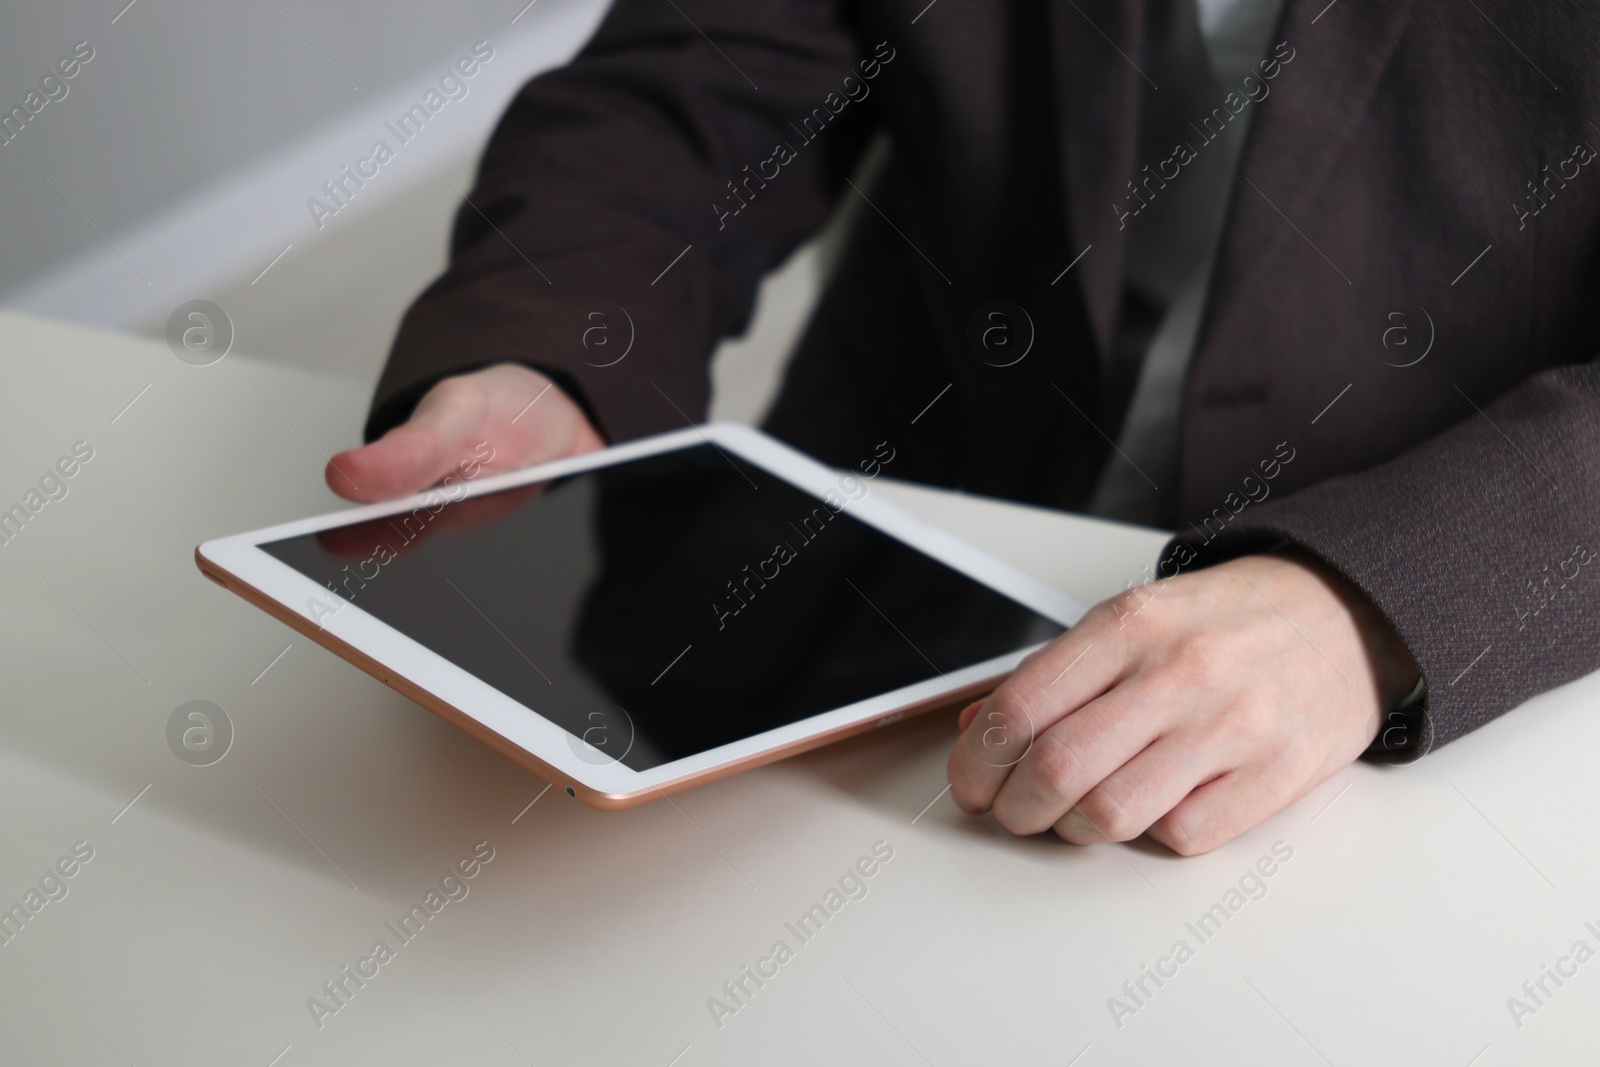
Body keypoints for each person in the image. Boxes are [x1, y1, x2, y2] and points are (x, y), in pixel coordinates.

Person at [325, 0, 1600, 854]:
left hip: (1408, 635)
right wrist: (548, 346)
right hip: (885, 540)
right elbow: (696, 70)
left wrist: (1371, 606)